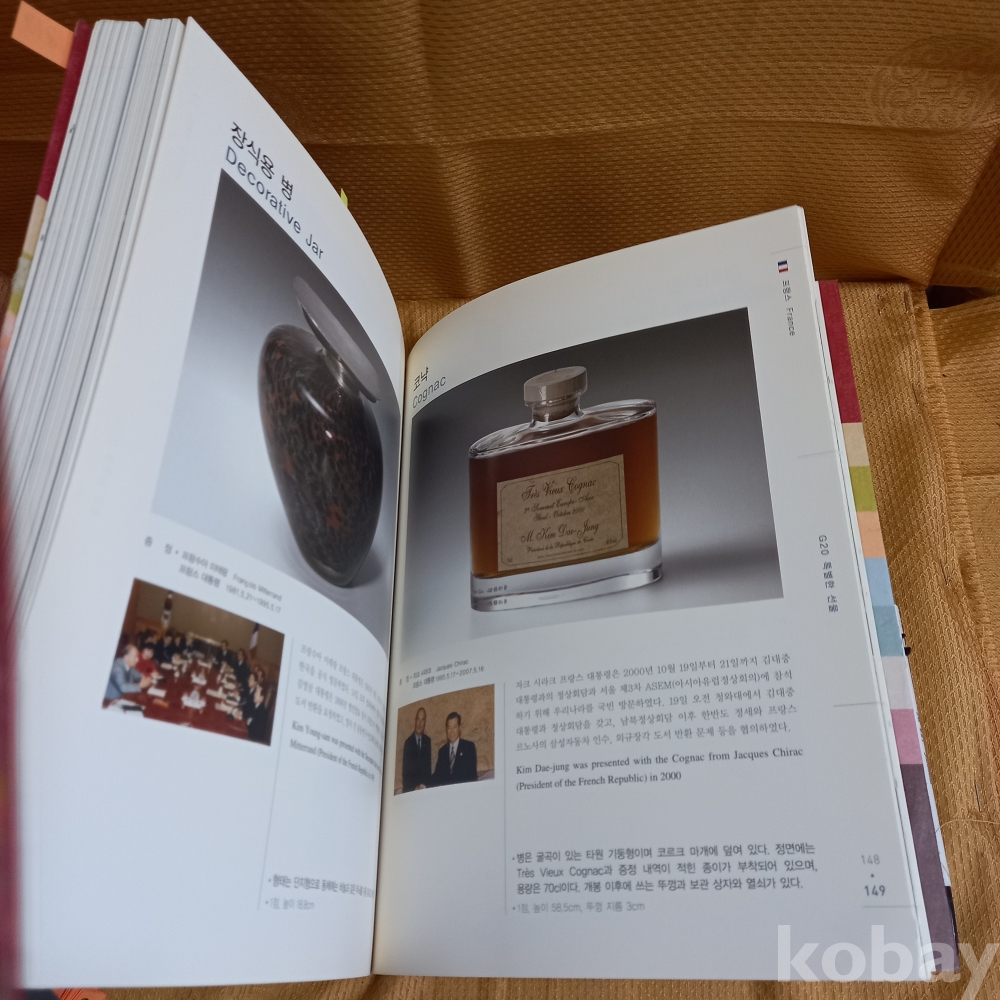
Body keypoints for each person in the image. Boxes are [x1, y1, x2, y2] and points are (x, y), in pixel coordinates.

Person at [431, 712, 477, 785]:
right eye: (449, 728)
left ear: (459, 728)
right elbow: (437, 776)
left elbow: (472, 777)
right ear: (446, 729)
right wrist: (424, 785)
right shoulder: (442, 751)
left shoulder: (469, 747)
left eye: (454, 727)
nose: (451, 731)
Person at [401, 707, 432, 791]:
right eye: (418, 719)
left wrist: (425, 786)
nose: (420, 723)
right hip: (412, 789)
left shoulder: (428, 741)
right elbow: (406, 773)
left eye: (422, 720)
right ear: (415, 720)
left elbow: (428, 770)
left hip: (424, 789)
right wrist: (415, 788)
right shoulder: (408, 743)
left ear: (425, 722)